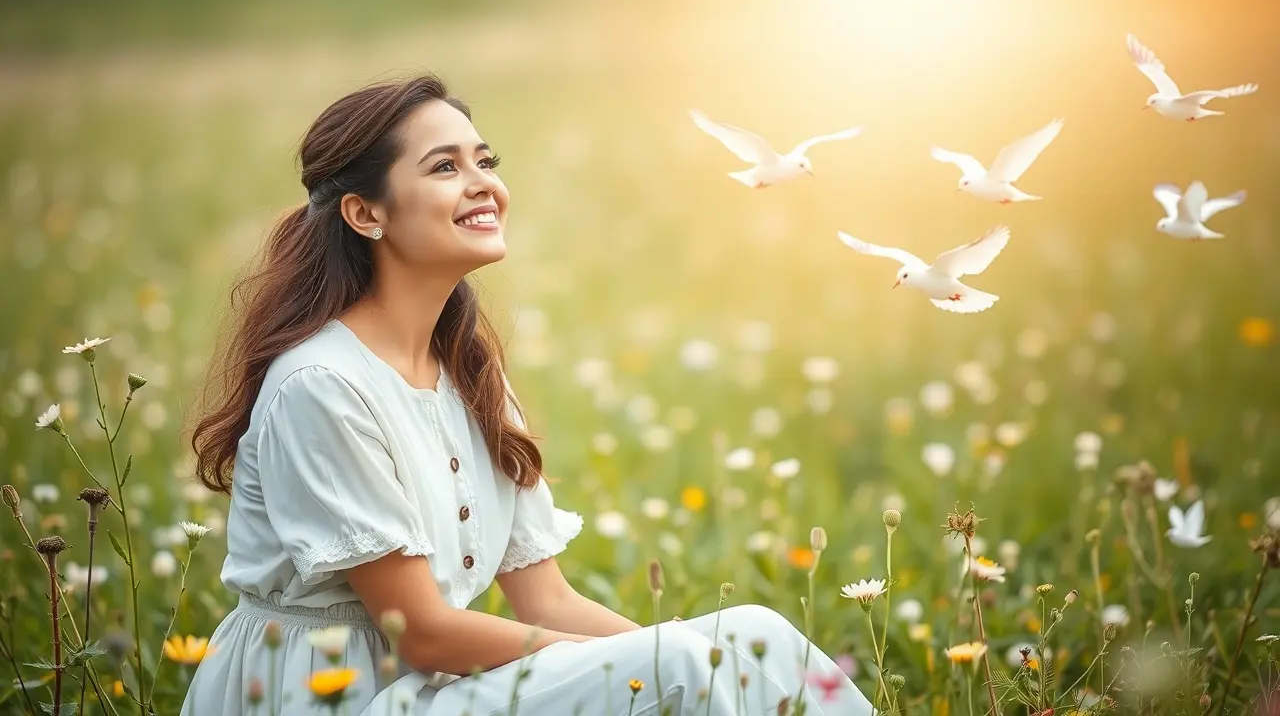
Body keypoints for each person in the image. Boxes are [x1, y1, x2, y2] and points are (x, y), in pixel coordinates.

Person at [184, 73, 872, 715]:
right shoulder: (322, 386)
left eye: (486, 161)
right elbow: (419, 633)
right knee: (682, 663)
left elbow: (547, 599)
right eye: (446, 167)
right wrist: (660, 668)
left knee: (753, 634)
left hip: (429, 686)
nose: (483, 184)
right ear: (366, 213)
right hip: (330, 693)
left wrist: (686, 664)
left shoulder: (468, 370)